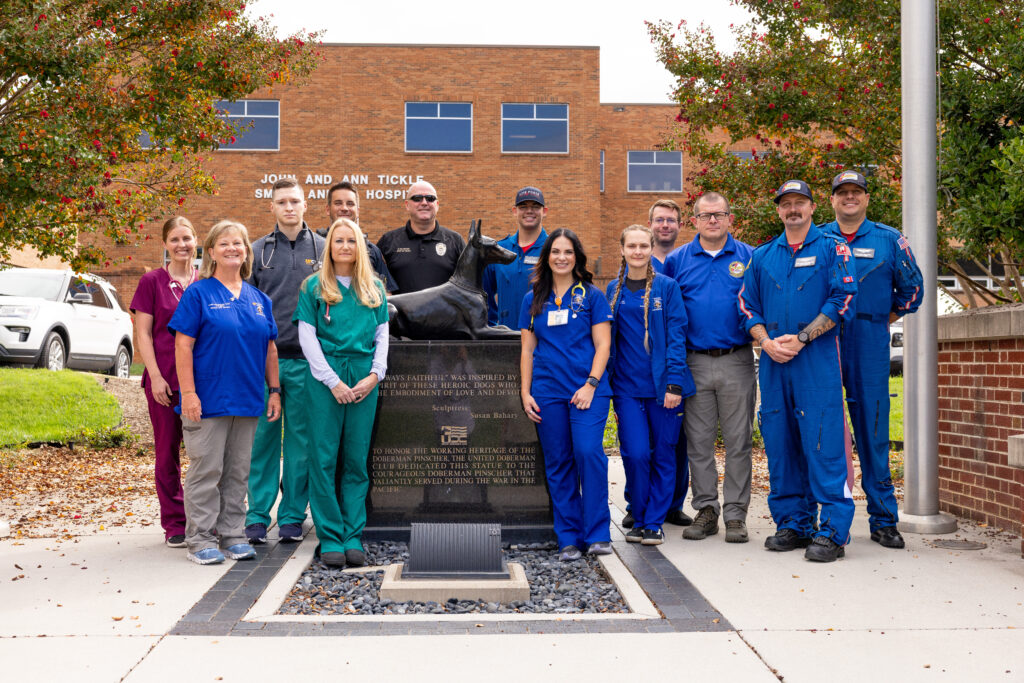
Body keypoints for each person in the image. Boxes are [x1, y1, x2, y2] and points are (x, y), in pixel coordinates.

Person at [738, 179, 858, 562]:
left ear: (811, 207)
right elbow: (747, 307)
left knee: (822, 442)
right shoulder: (762, 256)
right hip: (774, 363)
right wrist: (765, 341)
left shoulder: (832, 247)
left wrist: (803, 337)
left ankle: (833, 532)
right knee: (780, 442)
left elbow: (844, 297)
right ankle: (793, 522)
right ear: (778, 210)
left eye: (800, 203)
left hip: (816, 361)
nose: (793, 209)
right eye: (786, 203)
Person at [169, 220, 281, 565]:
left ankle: (232, 533)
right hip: (208, 399)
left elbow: (270, 348)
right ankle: (200, 538)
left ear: (247, 251)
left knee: (237, 471)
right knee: (207, 470)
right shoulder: (199, 293)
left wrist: (274, 391)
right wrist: (188, 393)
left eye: (239, 243)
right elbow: (182, 346)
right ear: (212, 252)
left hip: (247, 398)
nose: (233, 248)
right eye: (225, 244)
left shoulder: (259, 298)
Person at [822, 170, 923, 549]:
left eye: (856, 192)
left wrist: (881, 318)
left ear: (866, 198)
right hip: (826, 344)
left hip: (869, 344)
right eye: (842, 193)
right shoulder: (819, 238)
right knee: (826, 433)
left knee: (873, 433)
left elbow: (913, 291)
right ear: (832, 199)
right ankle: (830, 518)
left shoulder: (890, 239)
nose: (849, 198)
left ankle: (883, 520)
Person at [296, 218, 389, 569]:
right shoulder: (313, 287)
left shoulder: (374, 288)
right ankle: (331, 536)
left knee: (355, 459)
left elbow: (382, 335)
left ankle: (353, 536)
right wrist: (332, 380)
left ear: (360, 247)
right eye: (339, 241)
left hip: (364, 375)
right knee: (323, 459)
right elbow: (307, 337)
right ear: (329, 247)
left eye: (352, 240)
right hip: (326, 378)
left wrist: (374, 375)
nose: (345, 247)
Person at [664, 193, 756, 544]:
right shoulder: (676, 261)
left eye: (719, 215)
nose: (713, 221)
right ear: (695, 221)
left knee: (739, 441)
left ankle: (735, 514)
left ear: (730, 218)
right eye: (706, 216)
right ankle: (706, 510)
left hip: (737, 359)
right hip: (694, 362)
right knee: (698, 442)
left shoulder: (749, 257)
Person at [519, 229, 614, 562]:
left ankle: (599, 533)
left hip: (587, 390)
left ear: (577, 257)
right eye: (555, 251)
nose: (562, 257)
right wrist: (525, 391)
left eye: (568, 252)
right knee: (558, 463)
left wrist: (590, 383)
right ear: (547, 257)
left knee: (588, 453)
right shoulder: (532, 299)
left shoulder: (591, 296)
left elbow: (603, 344)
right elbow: (528, 349)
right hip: (548, 391)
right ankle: (569, 538)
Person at [245, 178, 325, 545]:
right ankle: (257, 515)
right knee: (261, 440)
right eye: (282, 202)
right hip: (265, 363)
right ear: (272, 207)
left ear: (305, 205)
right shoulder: (258, 251)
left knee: (301, 443)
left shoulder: (324, 249)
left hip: (310, 363)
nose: (289, 208)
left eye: (295, 201)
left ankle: (293, 514)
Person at [606, 225, 694, 545]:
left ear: (651, 247)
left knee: (663, 454)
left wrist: (673, 384)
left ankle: (654, 522)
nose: (638, 251)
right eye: (632, 246)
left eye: (644, 245)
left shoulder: (667, 288)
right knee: (636, 453)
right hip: (627, 389)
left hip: (663, 390)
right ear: (623, 250)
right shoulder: (613, 290)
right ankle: (639, 515)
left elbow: (676, 337)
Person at [130, 216, 198, 548]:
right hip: (165, 382)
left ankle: (203, 518)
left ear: (197, 241)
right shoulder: (152, 282)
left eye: (187, 238)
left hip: (203, 382)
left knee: (207, 453)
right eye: (175, 239)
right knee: (167, 452)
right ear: (165, 244)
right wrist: (155, 376)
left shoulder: (207, 281)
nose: (182, 245)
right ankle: (175, 522)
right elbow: (142, 333)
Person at [377, 180, 465, 293]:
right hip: (400, 311)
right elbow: (373, 281)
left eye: (430, 198)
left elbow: (468, 286)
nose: (424, 203)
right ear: (407, 205)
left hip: (444, 311)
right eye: (417, 198)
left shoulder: (455, 241)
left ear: (437, 205)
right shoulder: (388, 241)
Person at [482, 186, 549, 328]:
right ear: (514, 211)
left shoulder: (554, 250)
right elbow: (484, 296)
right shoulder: (498, 250)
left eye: (535, 206)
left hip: (543, 340)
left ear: (545, 212)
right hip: (506, 339)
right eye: (523, 206)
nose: (529, 211)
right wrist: (492, 327)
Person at [315, 181, 397, 292]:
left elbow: (386, 292)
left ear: (357, 211)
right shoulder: (314, 245)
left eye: (350, 203)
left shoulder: (371, 250)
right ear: (328, 209)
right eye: (338, 203)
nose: (344, 208)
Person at [648, 199, 682, 273]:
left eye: (671, 220)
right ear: (650, 225)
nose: (665, 225)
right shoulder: (636, 263)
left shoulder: (686, 263)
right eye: (659, 220)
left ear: (679, 226)